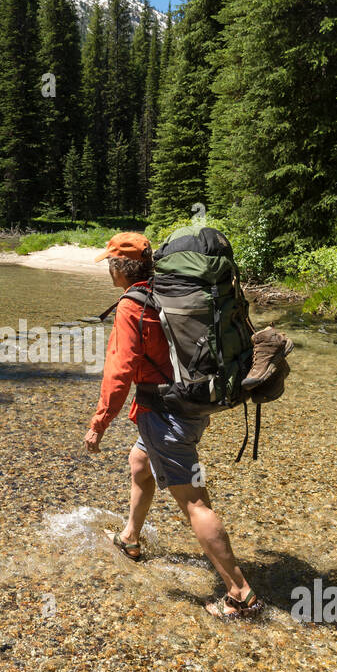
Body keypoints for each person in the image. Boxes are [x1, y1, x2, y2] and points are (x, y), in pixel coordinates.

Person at [84, 231, 263, 620]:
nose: (109, 270)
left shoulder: (134, 304)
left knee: (195, 502)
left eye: (110, 263)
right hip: (193, 404)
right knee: (139, 461)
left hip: (165, 413)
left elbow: (119, 372)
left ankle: (239, 593)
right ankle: (131, 538)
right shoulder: (171, 293)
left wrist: (99, 423)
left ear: (119, 267)